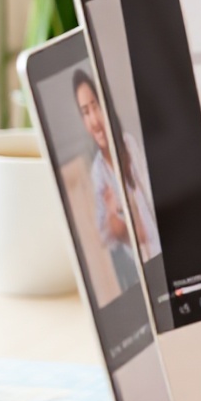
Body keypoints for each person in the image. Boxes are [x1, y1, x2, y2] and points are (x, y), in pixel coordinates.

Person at [72, 66, 143, 297]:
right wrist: (115, 214)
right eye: (85, 112)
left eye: (95, 107)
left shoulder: (129, 145)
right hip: (136, 267)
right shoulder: (97, 173)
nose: (93, 120)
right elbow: (105, 236)